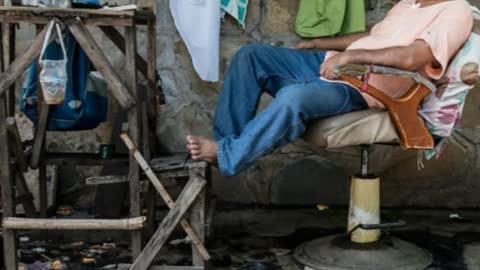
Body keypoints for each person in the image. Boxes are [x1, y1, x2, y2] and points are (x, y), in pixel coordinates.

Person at [186, 0, 473, 176]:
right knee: (251, 56)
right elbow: (373, 37)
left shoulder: (456, 10)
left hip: (367, 87)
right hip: (331, 65)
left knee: (294, 97)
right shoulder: (407, 4)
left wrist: (352, 57)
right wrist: (320, 44)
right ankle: (226, 146)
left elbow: (413, 57)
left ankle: (228, 156)